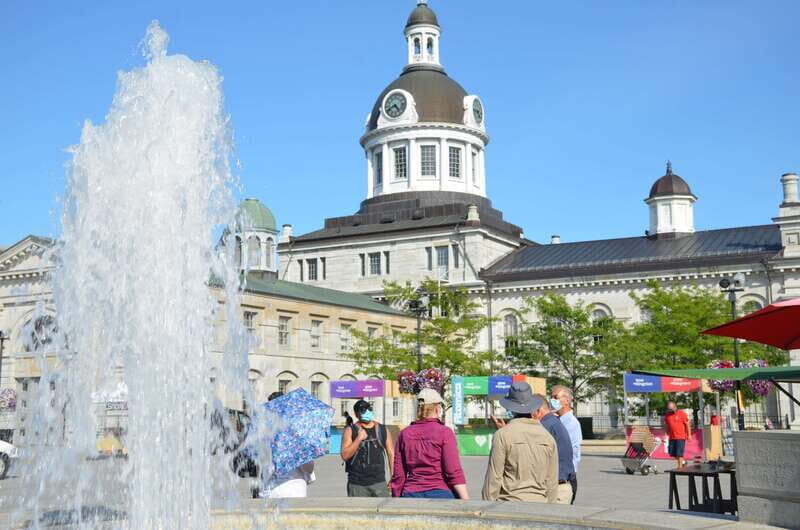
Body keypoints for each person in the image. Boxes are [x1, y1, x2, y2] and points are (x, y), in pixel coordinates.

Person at [482, 382, 558, 503]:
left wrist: (487, 507)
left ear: (510, 407)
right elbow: (552, 482)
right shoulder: (547, 437)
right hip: (540, 504)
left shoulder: (503, 435)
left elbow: (494, 478)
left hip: (509, 503)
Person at [391, 388, 469, 499]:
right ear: (437, 408)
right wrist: (466, 500)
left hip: (411, 494)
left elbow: (399, 474)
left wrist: (396, 498)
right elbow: (453, 471)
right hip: (440, 493)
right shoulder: (444, 432)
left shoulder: (404, 434)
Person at [262, 391, 315, 498]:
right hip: (294, 490)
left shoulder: (262, 432)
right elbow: (308, 468)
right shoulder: (298, 434)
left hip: (269, 492)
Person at [341, 399, 394, 497]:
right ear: (356, 415)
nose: (367, 412)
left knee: (382, 512)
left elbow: (391, 453)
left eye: (369, 409)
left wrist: (393, 477)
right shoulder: (350, 430)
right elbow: (344, 455)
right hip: (357, 484)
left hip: (379, 483)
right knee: (359, 512)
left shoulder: (383, 429)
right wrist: (358, 439)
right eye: (363, 411)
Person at [535, 394, 575, 504]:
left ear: (537, 410)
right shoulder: (554, 422)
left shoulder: (545, 426)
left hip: (555, 489)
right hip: (562, 485)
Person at [551, 385, 582, 504]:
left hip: (566, 478)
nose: (552, 401)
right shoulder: (557, 421)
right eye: (551, 397)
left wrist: (566, 475)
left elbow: (572, 453)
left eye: (555, 397)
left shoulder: (572, 423)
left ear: (567, 400)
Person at [664, 401, 691, 468]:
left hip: (680, 437)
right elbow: (667, 425)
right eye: (668, 409)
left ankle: (680, 466)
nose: (669, 410)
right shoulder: (667, 415)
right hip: (672, 437)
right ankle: (683, 462)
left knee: (679, 453)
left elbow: (687, 425)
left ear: (675, 407)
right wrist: (666, 434)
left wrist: (689, 435)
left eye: (671, 409)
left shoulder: (682, 414)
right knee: (672, 453)